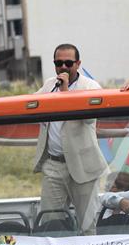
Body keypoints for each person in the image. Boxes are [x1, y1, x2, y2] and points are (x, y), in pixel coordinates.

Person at [33, 44, 108, 233]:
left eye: (68, 63)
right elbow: (29, 106)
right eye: (59, 63)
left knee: (88, 224)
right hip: (54, 164)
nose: (63, 67)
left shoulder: (91, 86)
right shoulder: (50, 85)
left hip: (83, 164)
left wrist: (66, 93)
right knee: (50, 224)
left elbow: (90, 118)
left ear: (78, 64)